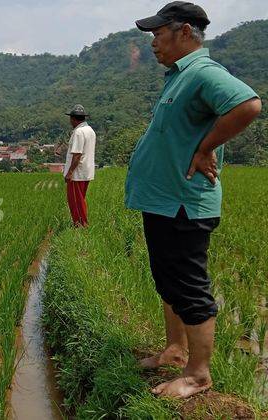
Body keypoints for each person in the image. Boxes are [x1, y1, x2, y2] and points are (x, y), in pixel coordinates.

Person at [125, 1, 262, 399]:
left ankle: (199, 375)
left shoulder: (203, 72)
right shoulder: (177, 77)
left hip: (184, 202)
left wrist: (206, 150)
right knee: (167, 279)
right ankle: (174, 350)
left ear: (184, 32)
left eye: (158, 33)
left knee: (188, 285)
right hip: (163, 201)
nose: (153, 42)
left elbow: (248, 104)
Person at [63, 104, 96, 227]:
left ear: (73, 118)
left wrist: (70, 172)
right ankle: (81, 223)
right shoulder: (90, 131)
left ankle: (81, 224)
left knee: (75, 201)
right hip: (86, 171)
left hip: (77, 173)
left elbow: (77, 155)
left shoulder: (78, 132)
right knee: (80, 199)